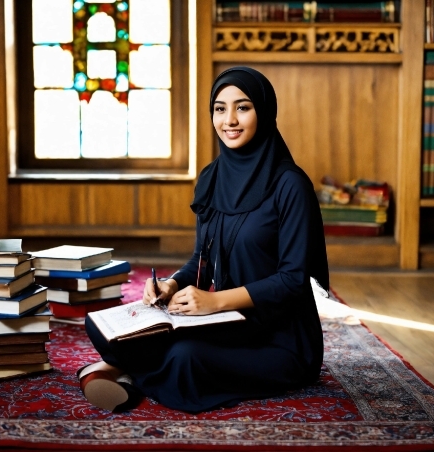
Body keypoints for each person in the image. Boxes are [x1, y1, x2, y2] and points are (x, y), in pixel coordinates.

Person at [78, 66, 329, 414]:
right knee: (105, 326)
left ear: (265, 111)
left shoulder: (291, 186)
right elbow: (203, 259)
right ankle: (123, 370)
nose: (230, 120)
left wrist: (215, 302)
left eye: (243, 107)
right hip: (229, 325)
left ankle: (119, 373)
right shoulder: (211, 177)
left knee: (185, 356)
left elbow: (293, 281)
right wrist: (170, 284)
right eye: (220, 108)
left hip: (282, 340)